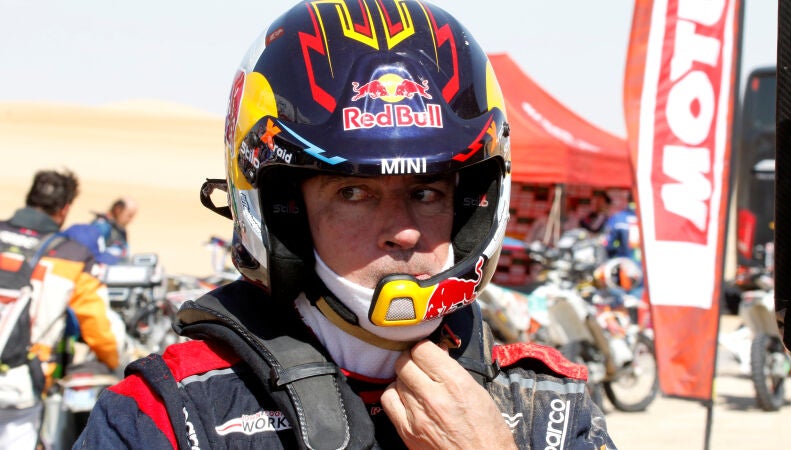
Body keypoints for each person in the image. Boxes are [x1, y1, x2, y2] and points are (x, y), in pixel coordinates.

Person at [76, 2, 616, 448]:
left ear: (472, 206)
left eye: (426, 192)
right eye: (354, 193)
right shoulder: (169, 414)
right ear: (283, 210)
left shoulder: (550, 408)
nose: (404, 232)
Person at [0, 169, 124, 449]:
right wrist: (115, 362)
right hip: (19, 386)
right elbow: (98, 325)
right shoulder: (73, 255)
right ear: (65, 208)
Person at [89, 197, 137, 262]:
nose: (131, 220)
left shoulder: (119, 229)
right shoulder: (102, 226)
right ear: (118, 209)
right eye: (129, 216)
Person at [605, 192, 641, 263]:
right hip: (648, 265)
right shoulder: (652, 220)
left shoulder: (617, 218)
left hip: (624, 263)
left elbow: (608, 244)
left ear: (627, 200)